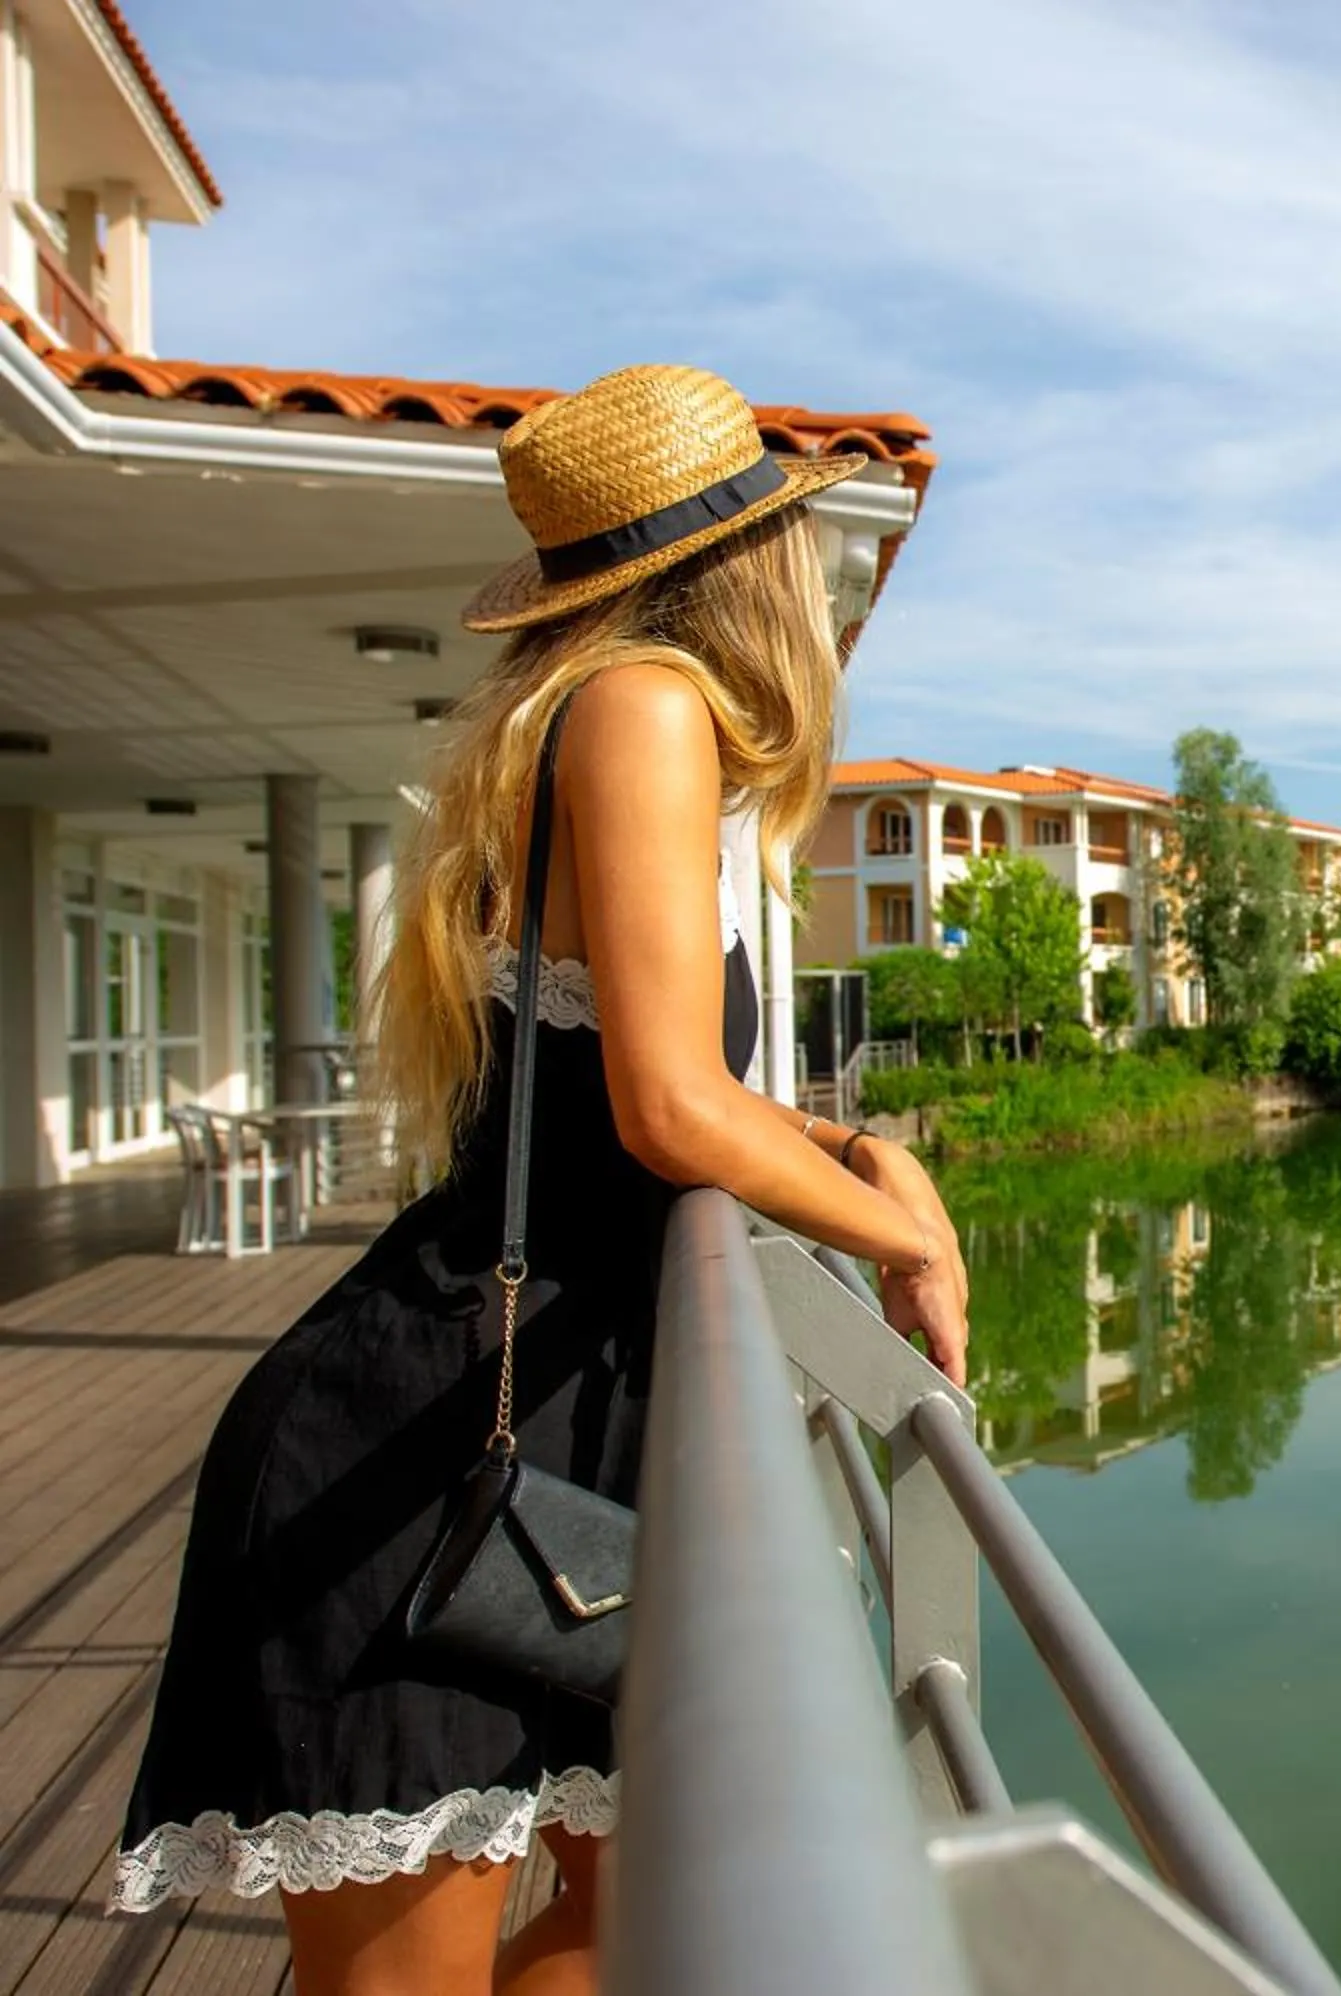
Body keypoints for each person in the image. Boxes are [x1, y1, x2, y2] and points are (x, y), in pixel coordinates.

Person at [106, 364, 971, 1995]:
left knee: (618, 1928)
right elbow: (661, 1109)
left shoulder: (601, 718)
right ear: (744, 560)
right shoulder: (643, 710)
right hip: (432, 1434)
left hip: (560, 1409)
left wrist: (860, 1149)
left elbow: (662, 1084)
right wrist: (900, 1245)